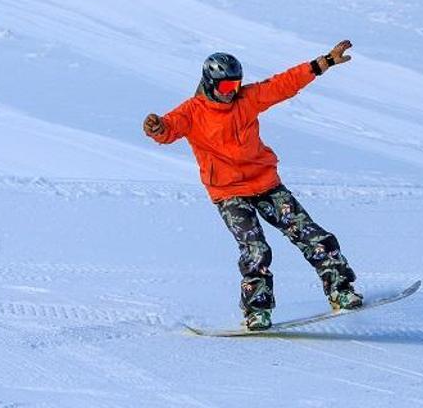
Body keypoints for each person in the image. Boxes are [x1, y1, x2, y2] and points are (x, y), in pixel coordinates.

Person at [143, 40, 362, 330]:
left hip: (266, 183)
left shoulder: (248, 99)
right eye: (224, 88)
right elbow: (168, 129)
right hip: (229, 192)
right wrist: (157, 127)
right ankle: (257, 312)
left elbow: (284, 84)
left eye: (235, 85)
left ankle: (341, 290)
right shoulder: (192, 112)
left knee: (310, 234)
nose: (231, 93)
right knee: (256, 250)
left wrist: (324, 63)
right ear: (209, 85)